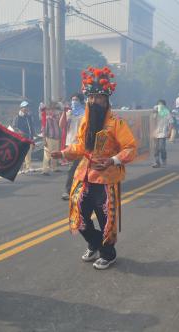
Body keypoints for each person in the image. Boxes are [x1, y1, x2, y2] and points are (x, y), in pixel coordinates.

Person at [51, 66, 137, 270]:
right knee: (78, 214)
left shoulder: (117, 123)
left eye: (98, 97)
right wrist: (63, 153)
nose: (94, 101)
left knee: (106, 217)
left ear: (106, 100)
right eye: (90, 97)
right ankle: (95, 243)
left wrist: (113, 160)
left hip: (106, 178)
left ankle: (108, 253)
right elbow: (80, 147)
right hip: (84, 175)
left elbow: (130, 148)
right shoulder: (84, 122)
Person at [60, 93, 85, 200]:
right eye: (72, 100)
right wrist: (64, 113)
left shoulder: (85, 114)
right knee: (73, 168)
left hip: (81, 144)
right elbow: (61, 125)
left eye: (76, 100)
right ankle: (73, 190)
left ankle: (69, 190)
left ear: (81, 101)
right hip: (70, 144)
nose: (74, 102)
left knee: (76, 168)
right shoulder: (69, 113)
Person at [13, 101, 35, 173]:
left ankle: (28, 167)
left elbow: (31, 126)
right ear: (21, 108)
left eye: (27, 107)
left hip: (29, 137)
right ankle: (20, 168)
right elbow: (14, 127)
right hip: (21, 138)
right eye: (25, 107)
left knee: (28, 153)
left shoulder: (29, 116)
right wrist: (20, 132)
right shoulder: (17, 117)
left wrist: (33, 136)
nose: (26, 108)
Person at [151, 99, 173, 168]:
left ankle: (164, 159)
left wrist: (169, 132)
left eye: (161, 104)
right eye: (159, 104)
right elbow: (152, 121)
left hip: (163, 133)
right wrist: (156, 112)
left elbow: (171, 122)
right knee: (155, 148)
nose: (160, 106)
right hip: (155, 133)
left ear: (164, 106)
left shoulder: (167, 113)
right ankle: (157, 162)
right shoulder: (155, 112)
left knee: (162, 148)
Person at [41, 102, 61, 175]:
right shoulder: (46, 119)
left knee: (55, 154)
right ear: (48, 111)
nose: (52, 111)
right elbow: (43, 130)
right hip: (49, 138)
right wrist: (44, 140)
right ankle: (45, 170)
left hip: (56, 138)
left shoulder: (56, 118)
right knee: (47, 155)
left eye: (53, 110)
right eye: (50, 110)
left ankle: (54, 168)